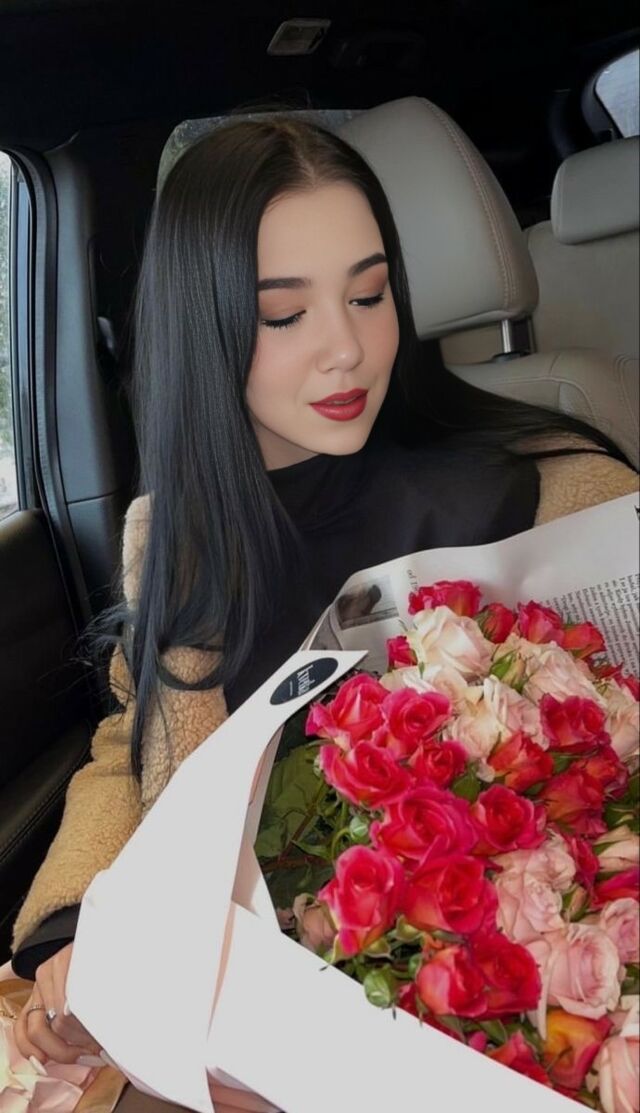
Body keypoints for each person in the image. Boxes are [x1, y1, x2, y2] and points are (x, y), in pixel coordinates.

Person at [8, 113, 638, 1110]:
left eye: (369, 295)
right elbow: (136, 738)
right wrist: (81, 922)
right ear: (204, 325)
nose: (346, 349)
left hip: (495, 1019)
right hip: (242, 1015)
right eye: (283, 314)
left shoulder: (548, 491)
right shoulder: (176, 532)